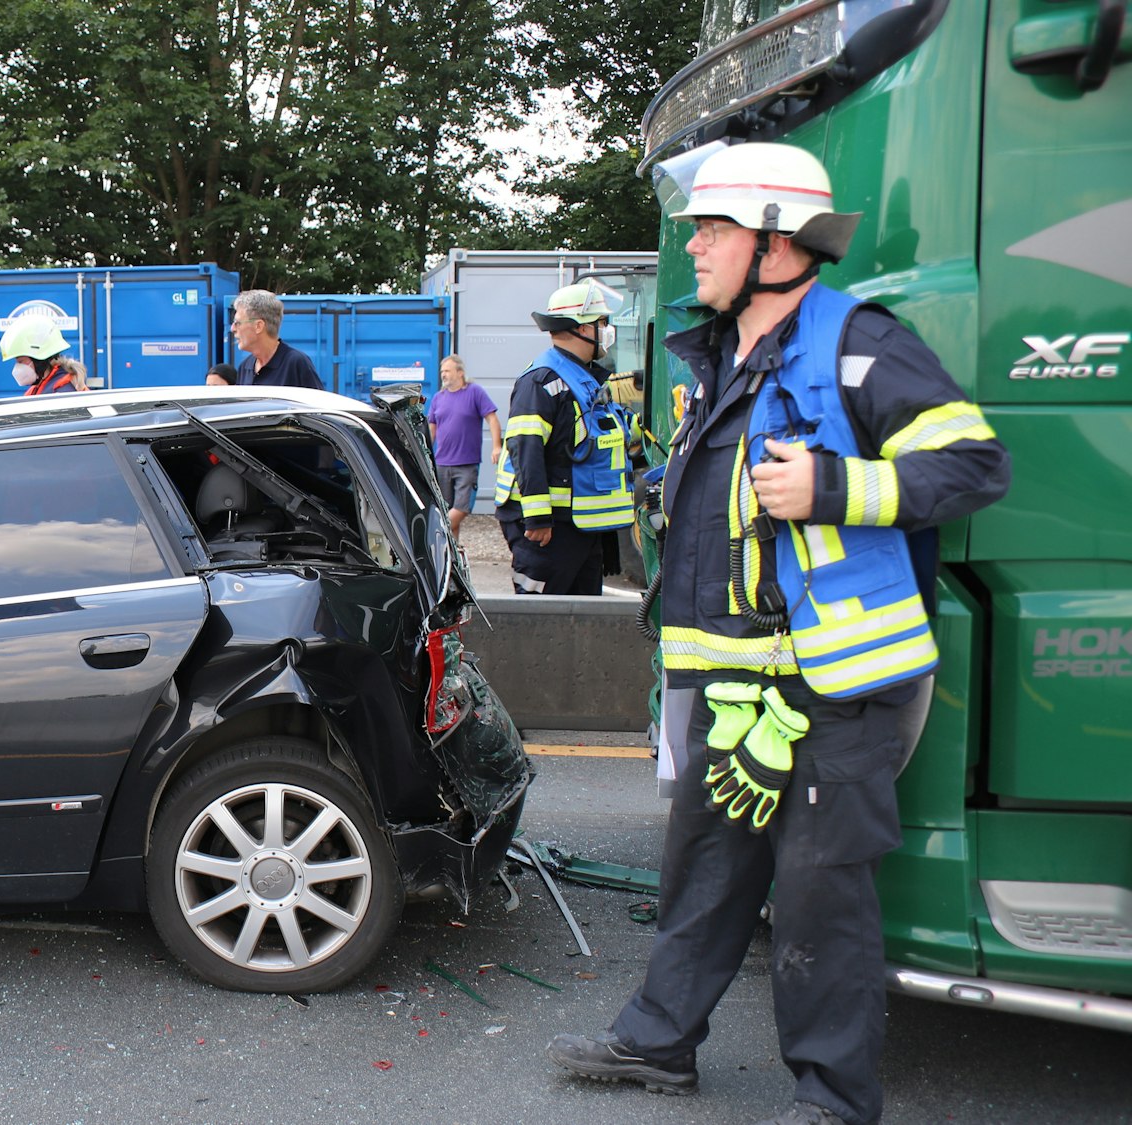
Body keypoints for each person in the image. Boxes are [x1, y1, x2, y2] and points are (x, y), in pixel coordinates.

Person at [545, 143, 1009, 1125]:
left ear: (775, 243)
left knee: (817, 897)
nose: (693, 246)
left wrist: (832, 486)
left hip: (834, 688)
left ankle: (833, 1099)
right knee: (705, 865)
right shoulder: (724, 358)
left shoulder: (858, 345)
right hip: (738, 686)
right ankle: (658, 1042)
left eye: (712, 229)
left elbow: (973, 465)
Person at [490, 280, 637, 593]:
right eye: (602, 323)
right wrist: (538, 518)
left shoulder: (584, 378)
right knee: (540, 615)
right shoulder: (542, 380)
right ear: (581, 328)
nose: (607, 330)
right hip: (549, 529)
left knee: (580, 615)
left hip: (579, 523)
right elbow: (525, 447)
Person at [426, 354, 502, 537]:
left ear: (460, 372)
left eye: (447, 371)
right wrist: (425, 454)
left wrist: (497, 446)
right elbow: (431, 430)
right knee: (445, 509)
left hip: (466, 463)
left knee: (461, 508)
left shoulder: (474, 392)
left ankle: (435, 532)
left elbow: (492, 419)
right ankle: (451, 551)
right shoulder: (438, 398)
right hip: (442, 463)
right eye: (442, 371)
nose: (443, 374)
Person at [230, 290, 322, 390]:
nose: (232, 329)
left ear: (258, 326)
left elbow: (318, 399)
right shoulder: (245, 367)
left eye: (237, 323)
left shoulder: (296, 363)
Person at [1, 316, 85, 395]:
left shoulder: (62, 392)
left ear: (38, 360)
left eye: (20, 361)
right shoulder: (39, 389)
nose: (17, 367)